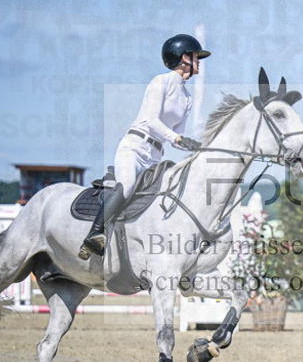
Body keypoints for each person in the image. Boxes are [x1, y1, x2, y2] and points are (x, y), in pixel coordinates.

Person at [78, 34, 208, 259]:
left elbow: (178, 135)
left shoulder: (187, 98)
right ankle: (94, 235)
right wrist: (177, 139)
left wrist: (193, 146)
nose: (199, 61)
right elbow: (151, 121)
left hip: (155, 156)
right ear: (185, 57)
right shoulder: (161, 82)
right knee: (127, 186)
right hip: (135, 148)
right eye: (197, 56)